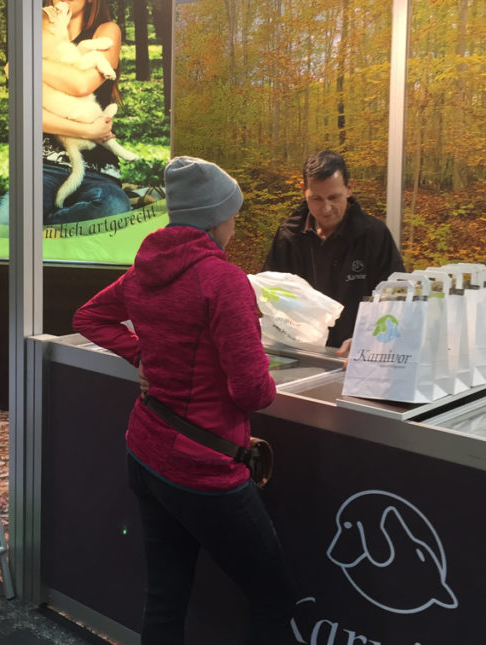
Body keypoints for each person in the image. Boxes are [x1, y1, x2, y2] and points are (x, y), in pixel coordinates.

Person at [73, 157, 299, 644]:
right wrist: (146, 356)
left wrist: (142, 355)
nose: (235, 223)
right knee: (274, 599)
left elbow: (88, 316)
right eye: (232, 213)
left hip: (145, 452)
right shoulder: (223, 280)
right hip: (204, 470)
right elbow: (253, 392)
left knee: (165, 597)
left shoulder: (144, 270)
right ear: (216, 218)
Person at [262, 150, 405, 351]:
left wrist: (369, 338)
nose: (326, 208)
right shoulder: (288, 236)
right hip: (300, 351)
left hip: (357, 353)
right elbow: (270, 295)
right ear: (303, 190)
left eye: (334, 197)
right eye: (316, 199)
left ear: (349, 188)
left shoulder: (374, 235)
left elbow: (396, 298)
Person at [42, 0, 132, 225]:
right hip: (43, 165)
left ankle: (42, 224)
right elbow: (30, 115)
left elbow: (81, 85)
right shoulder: (36, 30)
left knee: (114, 208)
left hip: (97, 168)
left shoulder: (107, 30)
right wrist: (89, 131)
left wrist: (24, 63)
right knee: (10, 219)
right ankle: (39, 223)